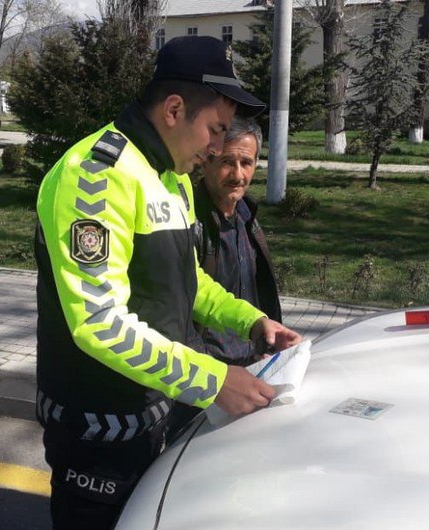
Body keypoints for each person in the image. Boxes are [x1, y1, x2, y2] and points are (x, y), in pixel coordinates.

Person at [33, 35, 302, 529]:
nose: (220, 148)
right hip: (98, 427)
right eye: (216, 130)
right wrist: (213, 380)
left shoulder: (173, 176)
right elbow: (98, 323)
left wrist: (252, 321)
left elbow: (185, 277)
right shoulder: (95, 175)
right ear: (175, 109)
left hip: (155, 409)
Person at [193, 116, 281, 365]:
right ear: (205, 162)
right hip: (206, 374)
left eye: (246, 163)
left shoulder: (247, 216)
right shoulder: (187, 220)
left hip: (253, 362)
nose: (238, 174)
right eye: (227, 162)